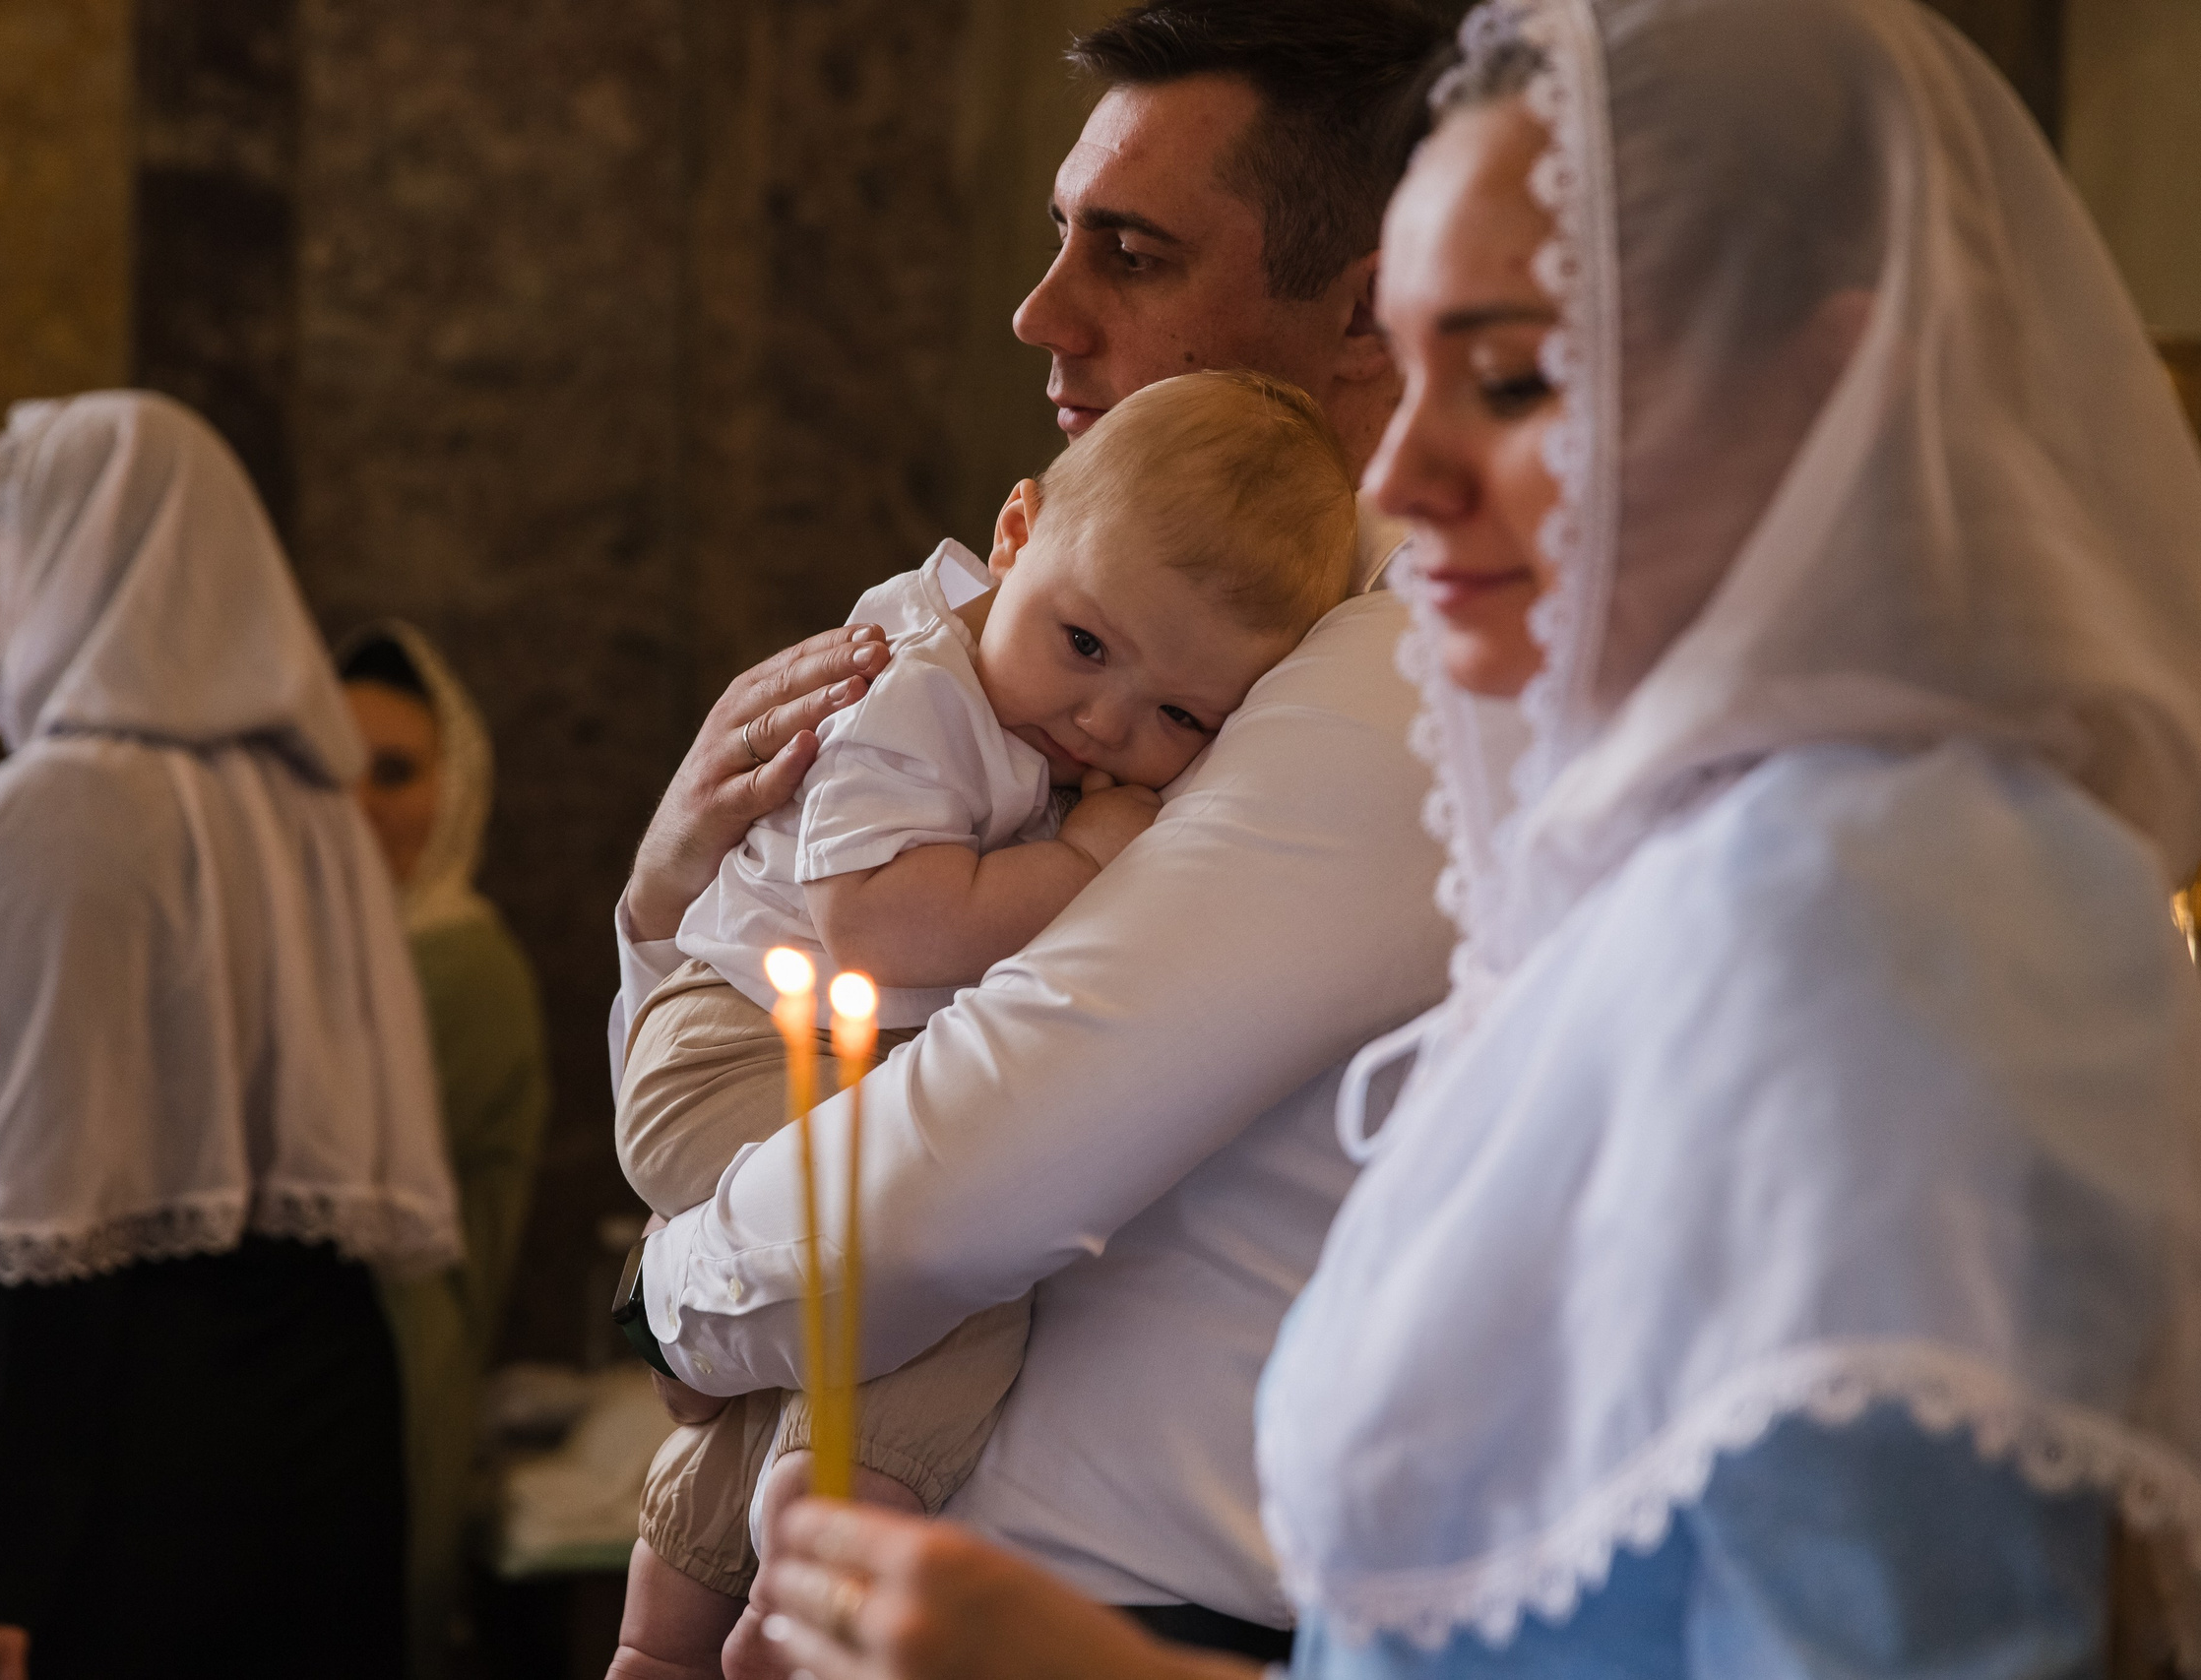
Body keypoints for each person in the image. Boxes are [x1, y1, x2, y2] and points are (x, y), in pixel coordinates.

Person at [751, 0, 2201, 1673]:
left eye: (1509, 377)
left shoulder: (1872, 912)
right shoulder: (1661, 869)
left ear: (1813, 386)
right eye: (1415, 358)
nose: (1414, 473)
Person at [611, 5, 1466, 1671]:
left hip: (1123, 1615)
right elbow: (802, 996)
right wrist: (660, 902)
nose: (1040, 313)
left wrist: (664, 1295)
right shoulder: (1073, 639)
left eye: (1129, 254)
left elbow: (944, 1190)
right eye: (1055, 234)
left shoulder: (1383, 674)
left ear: (1364, 303)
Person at [616, 370, 1363, 1670]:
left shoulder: (1028, 706)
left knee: (823, 1331)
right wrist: (1079, 865)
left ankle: (664, 1635)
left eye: (1182, 715)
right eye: (1084, 645)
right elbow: (880, 925)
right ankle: (803, 1606)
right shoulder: (922, 697)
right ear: (1012, 537)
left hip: (765, 1043)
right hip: (734, 1042)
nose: (1105, 717)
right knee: (939, 1290)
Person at [0, 390, 463, 1680]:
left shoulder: (58, 807)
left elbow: (40, 1209)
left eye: (6, 566)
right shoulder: (307, 807)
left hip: (91, 1441)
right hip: (307, 1422)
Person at [338, 619, 554, 1680]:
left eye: (394, 772)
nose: (360, 804)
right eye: (327, 769)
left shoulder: (460, 964)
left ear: (454, 788)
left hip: (385, 1374)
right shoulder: (325, 960)